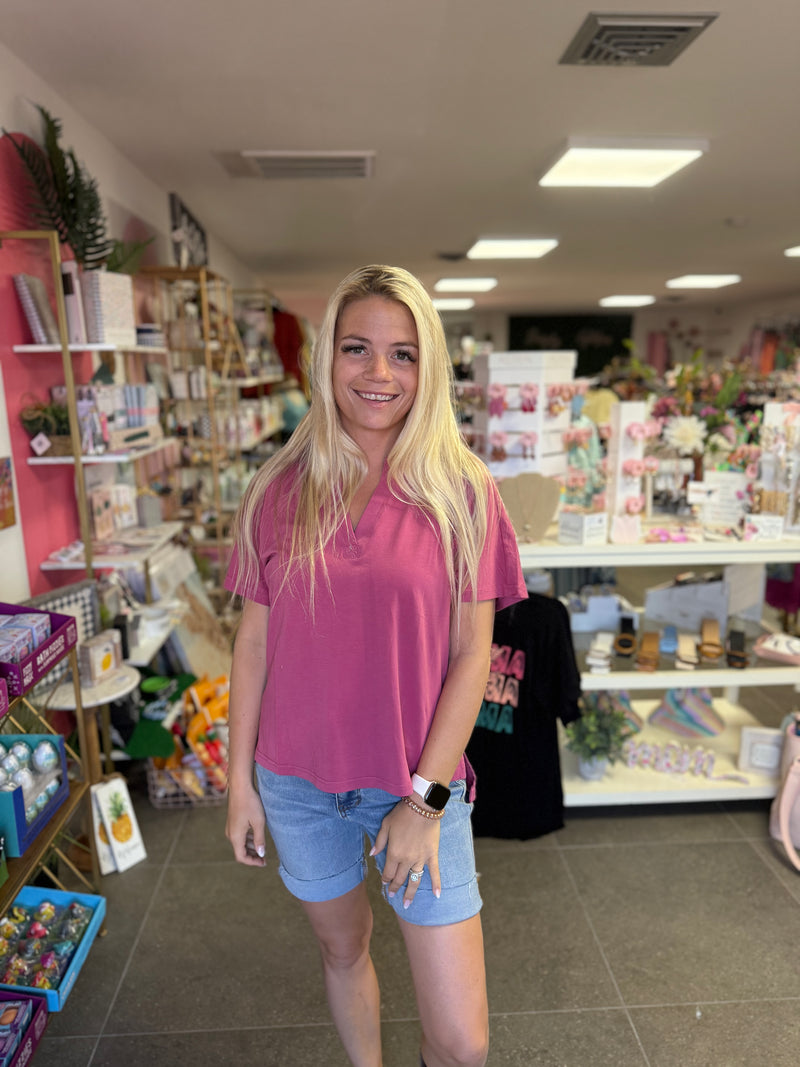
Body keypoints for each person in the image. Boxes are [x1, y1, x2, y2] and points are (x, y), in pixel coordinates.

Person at [224, 264, 527, 1067]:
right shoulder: (277, 489)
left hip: (418, 782)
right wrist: (238, 784)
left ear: (429, 368)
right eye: (357, 347)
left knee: (462, 1041)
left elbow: (472, 656)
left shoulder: (463, 491)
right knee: (344, 948)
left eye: (403, 353)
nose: (378, 372)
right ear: (326, 356)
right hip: (297, 784)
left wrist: (424, 804)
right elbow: (252, 644)